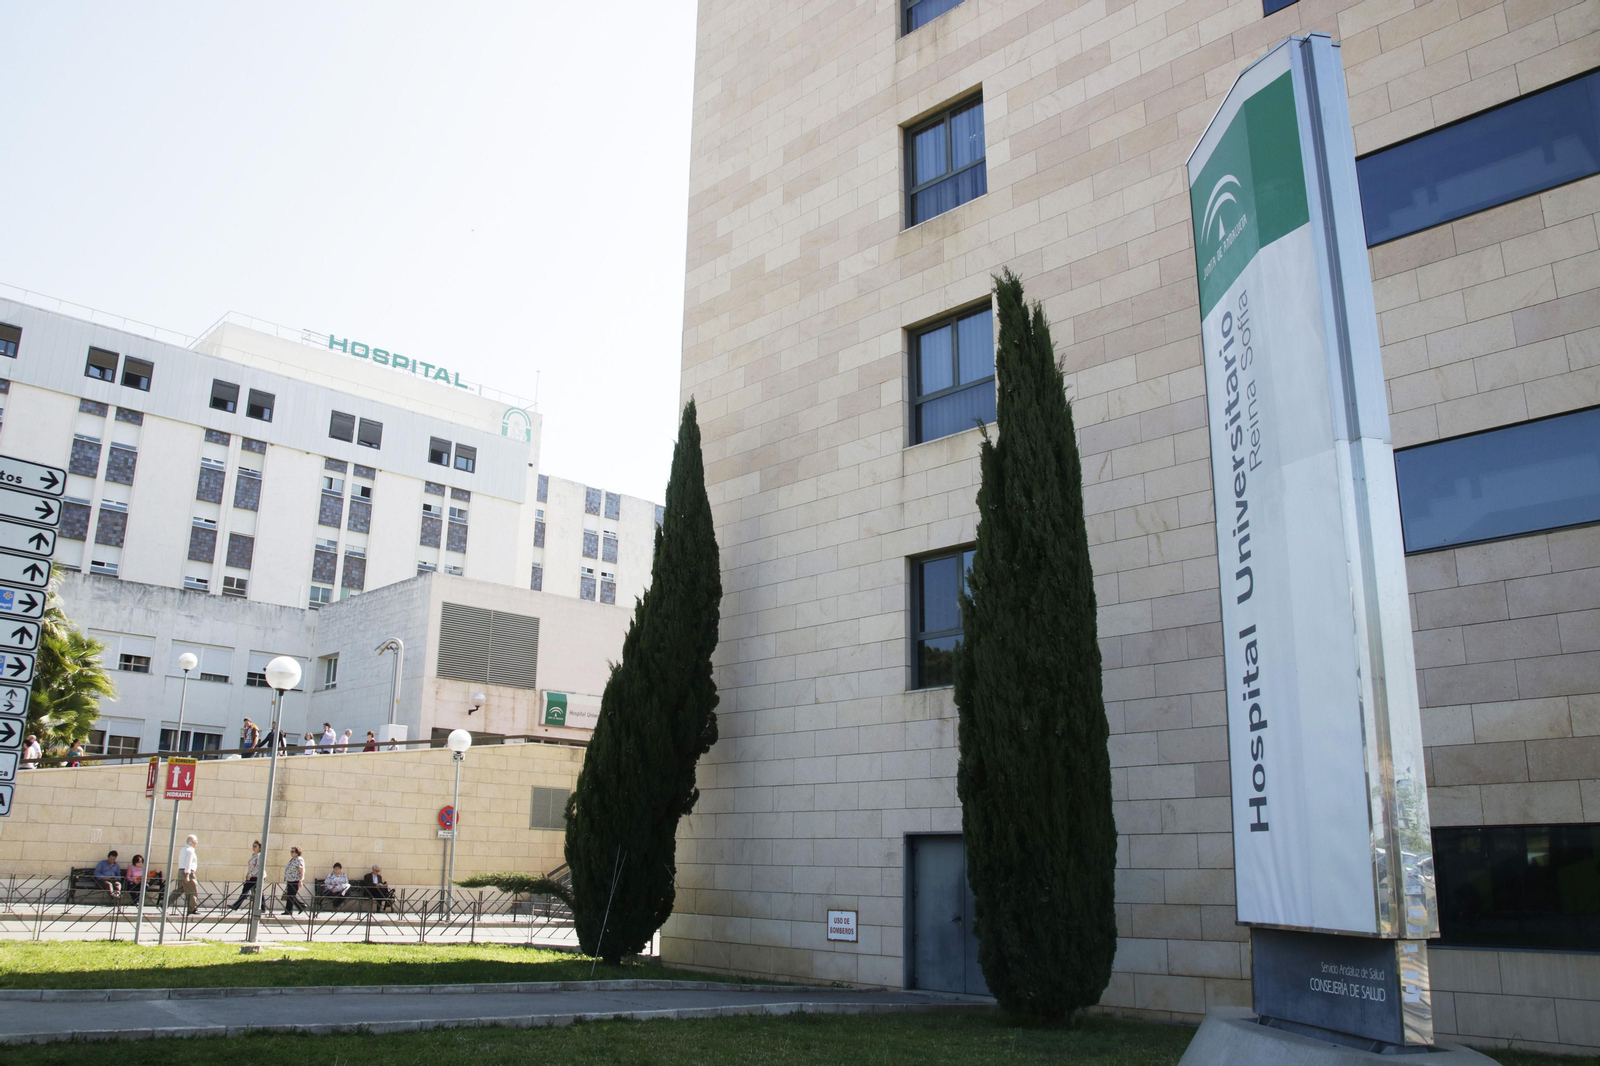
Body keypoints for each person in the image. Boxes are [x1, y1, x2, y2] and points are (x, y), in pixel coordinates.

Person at [169, 834, 199, 915]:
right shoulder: (191, 850)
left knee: (180, 890)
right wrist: (187, 875)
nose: (197, 842)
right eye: (196, 841)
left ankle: (165, 903)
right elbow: (188, 863)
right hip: (188, 872)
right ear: (192, 842)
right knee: (192, 891)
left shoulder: (183, 849)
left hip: (181, 871)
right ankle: (192, 908)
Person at [231, 840, 262, 910]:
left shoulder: (260, 856)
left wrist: (250, 875)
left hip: (256, 876)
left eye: (255, 846)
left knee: (251, 890)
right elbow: (251, 867)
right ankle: (236, 906)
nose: (253, 848)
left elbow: (258, 867)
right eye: (253, 846)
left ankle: (236, 905)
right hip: (251, 876)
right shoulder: (254, 855)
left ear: (259, 848)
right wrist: (248, 874)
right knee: (254, 891)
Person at [283, 846, 307, 914]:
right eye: (291, 851)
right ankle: (288, 910)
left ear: (297, 853)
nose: (291, 853)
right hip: (290, 880)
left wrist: (301, 880)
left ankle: (301, 906)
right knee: (290, 895)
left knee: (291, 895)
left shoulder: (299, 859)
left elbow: (302, 870)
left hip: (295, 880)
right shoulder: (293, 859)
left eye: (293, 852)